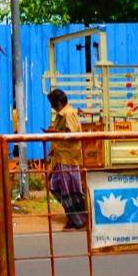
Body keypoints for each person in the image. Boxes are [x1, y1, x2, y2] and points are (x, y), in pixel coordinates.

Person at [46, 88, 86, 230]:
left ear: (58, 103)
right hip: (60, 157)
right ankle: (74, 217)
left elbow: (73, 135)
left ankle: (79, 219)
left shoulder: (69, 114)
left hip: (68, 158)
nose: (51, 106)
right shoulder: (61, 115)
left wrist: (54, 132)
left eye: (52, 103)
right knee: (56, 187)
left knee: (69, 190)